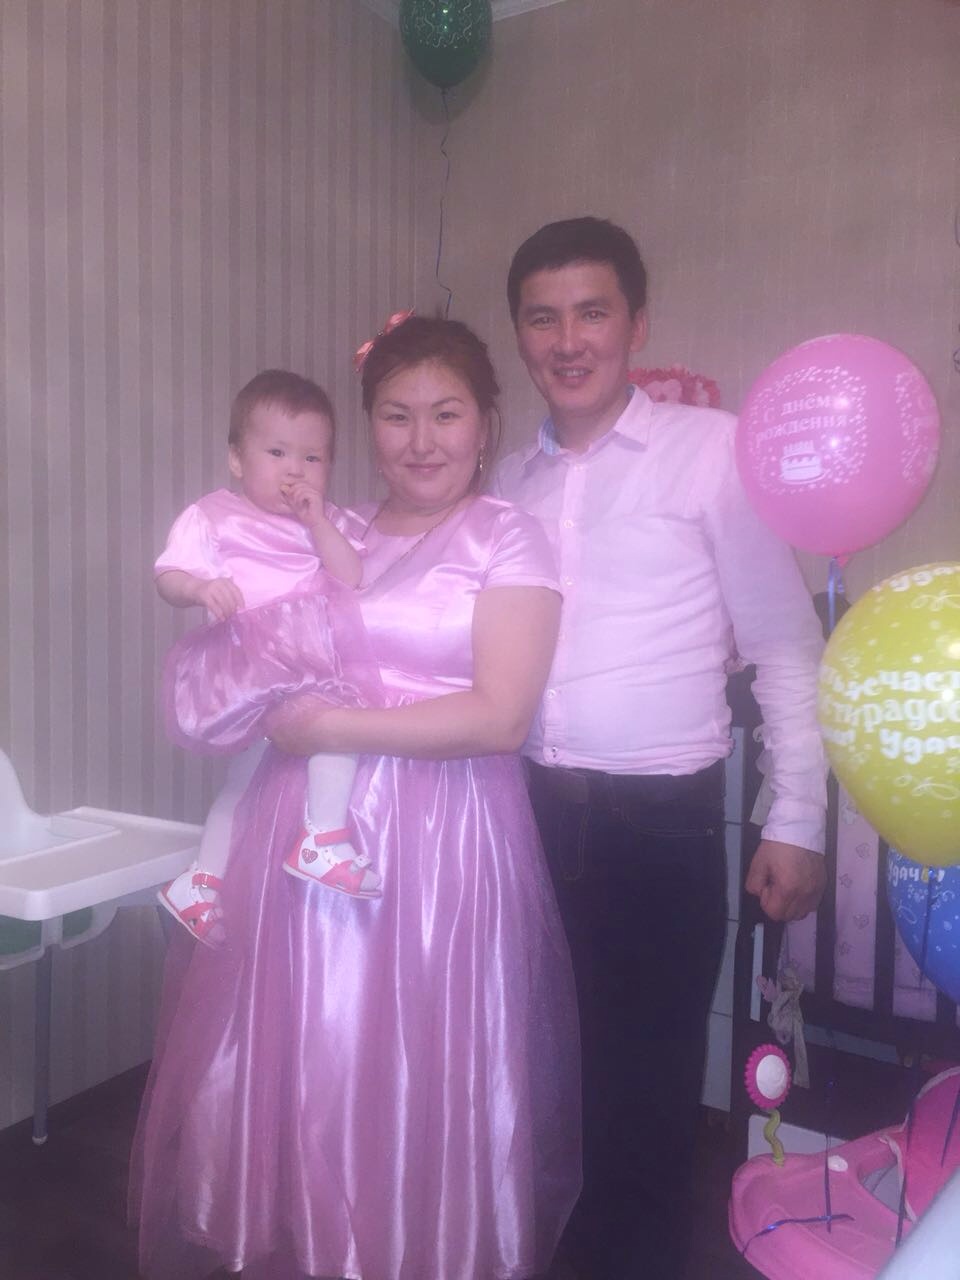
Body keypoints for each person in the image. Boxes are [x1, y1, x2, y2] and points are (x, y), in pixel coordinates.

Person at [131, 315, 581, 1280]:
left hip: (444, 837)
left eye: (445, 414)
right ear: (365, 426)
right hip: (298, 828)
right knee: (311, 1050)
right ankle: (311, 1242)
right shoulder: (334, 531)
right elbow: (259, 650)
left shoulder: (508, 535)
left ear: (486, 420)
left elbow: (500, 716)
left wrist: (330, 728)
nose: (420, 440)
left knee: (419, 1057)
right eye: (395, 415)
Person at [494, 216, 828, 1279]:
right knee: (543, 1087)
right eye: (543, 317)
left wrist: (797, 815)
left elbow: (783, 642)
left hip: (657, 830)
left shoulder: (713, 451)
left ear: (637, 324)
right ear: (519, 333)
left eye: (592, 312)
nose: (568, 339)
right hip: (522, 816)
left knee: (646, 1101)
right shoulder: (504, 482)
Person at [154, 369, 381, 947]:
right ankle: (322, 838)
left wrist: (318, 521)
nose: (294, 470)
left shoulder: (323, 523)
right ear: (237, 458)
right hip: (248, 660)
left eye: (312, 458)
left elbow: (351, 575)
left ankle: (199, 881)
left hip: (297, 661)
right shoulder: (213, 515)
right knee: (342, 722)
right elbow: (169, 576)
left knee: (246, 779)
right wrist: (201, 588)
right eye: (277, 453)